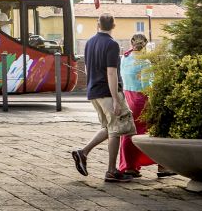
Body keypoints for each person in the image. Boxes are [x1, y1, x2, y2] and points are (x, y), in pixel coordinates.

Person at [71, 14, 135, 183]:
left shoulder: (89, 42)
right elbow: (111, 72)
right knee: (117, 129)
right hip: (107, 92)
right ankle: (112, 171)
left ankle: (83, 153)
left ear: (97, 25)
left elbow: (87, 67)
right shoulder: (112, 44)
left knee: (109, 127)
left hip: (94, 91)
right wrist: (115, 98)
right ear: (113, 25)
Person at [119, 33, 174, 178]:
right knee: (155, 131)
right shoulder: (145, 62)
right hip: (141, 100)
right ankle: (163, 166)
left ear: (131, 43)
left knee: (129, 132)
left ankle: (129, 166)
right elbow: (146, 86)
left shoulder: (124, 58)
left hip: (128, 96)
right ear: (146, 44)